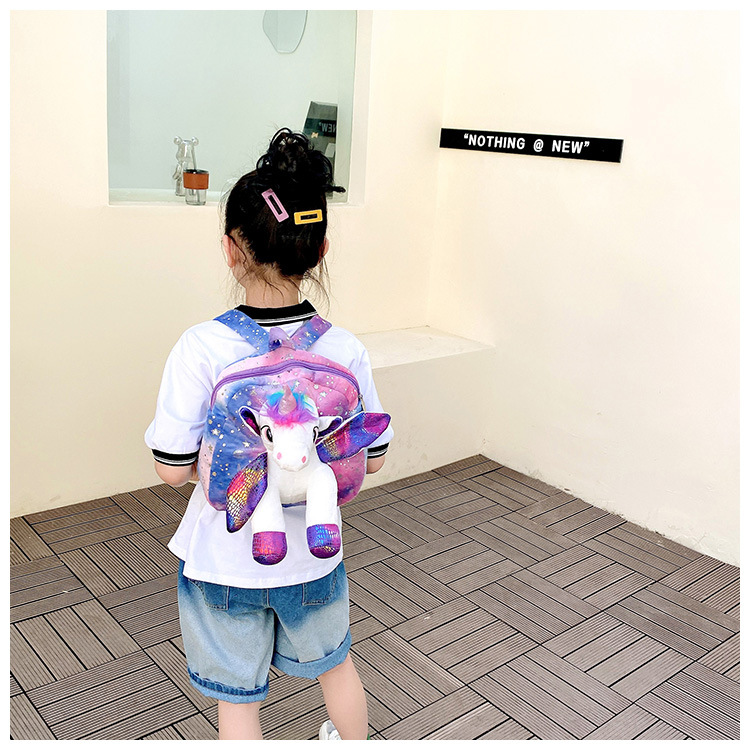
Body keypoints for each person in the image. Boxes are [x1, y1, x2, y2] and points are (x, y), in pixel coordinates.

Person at [145, 129, 393, 740]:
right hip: (315, 555)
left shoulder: (201, 347)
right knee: (336, 667)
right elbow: (373, 457)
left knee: (238, 703)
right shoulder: (344, 348)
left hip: (225, 558)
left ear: (232, 250)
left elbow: (171, 469)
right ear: (320, 250)